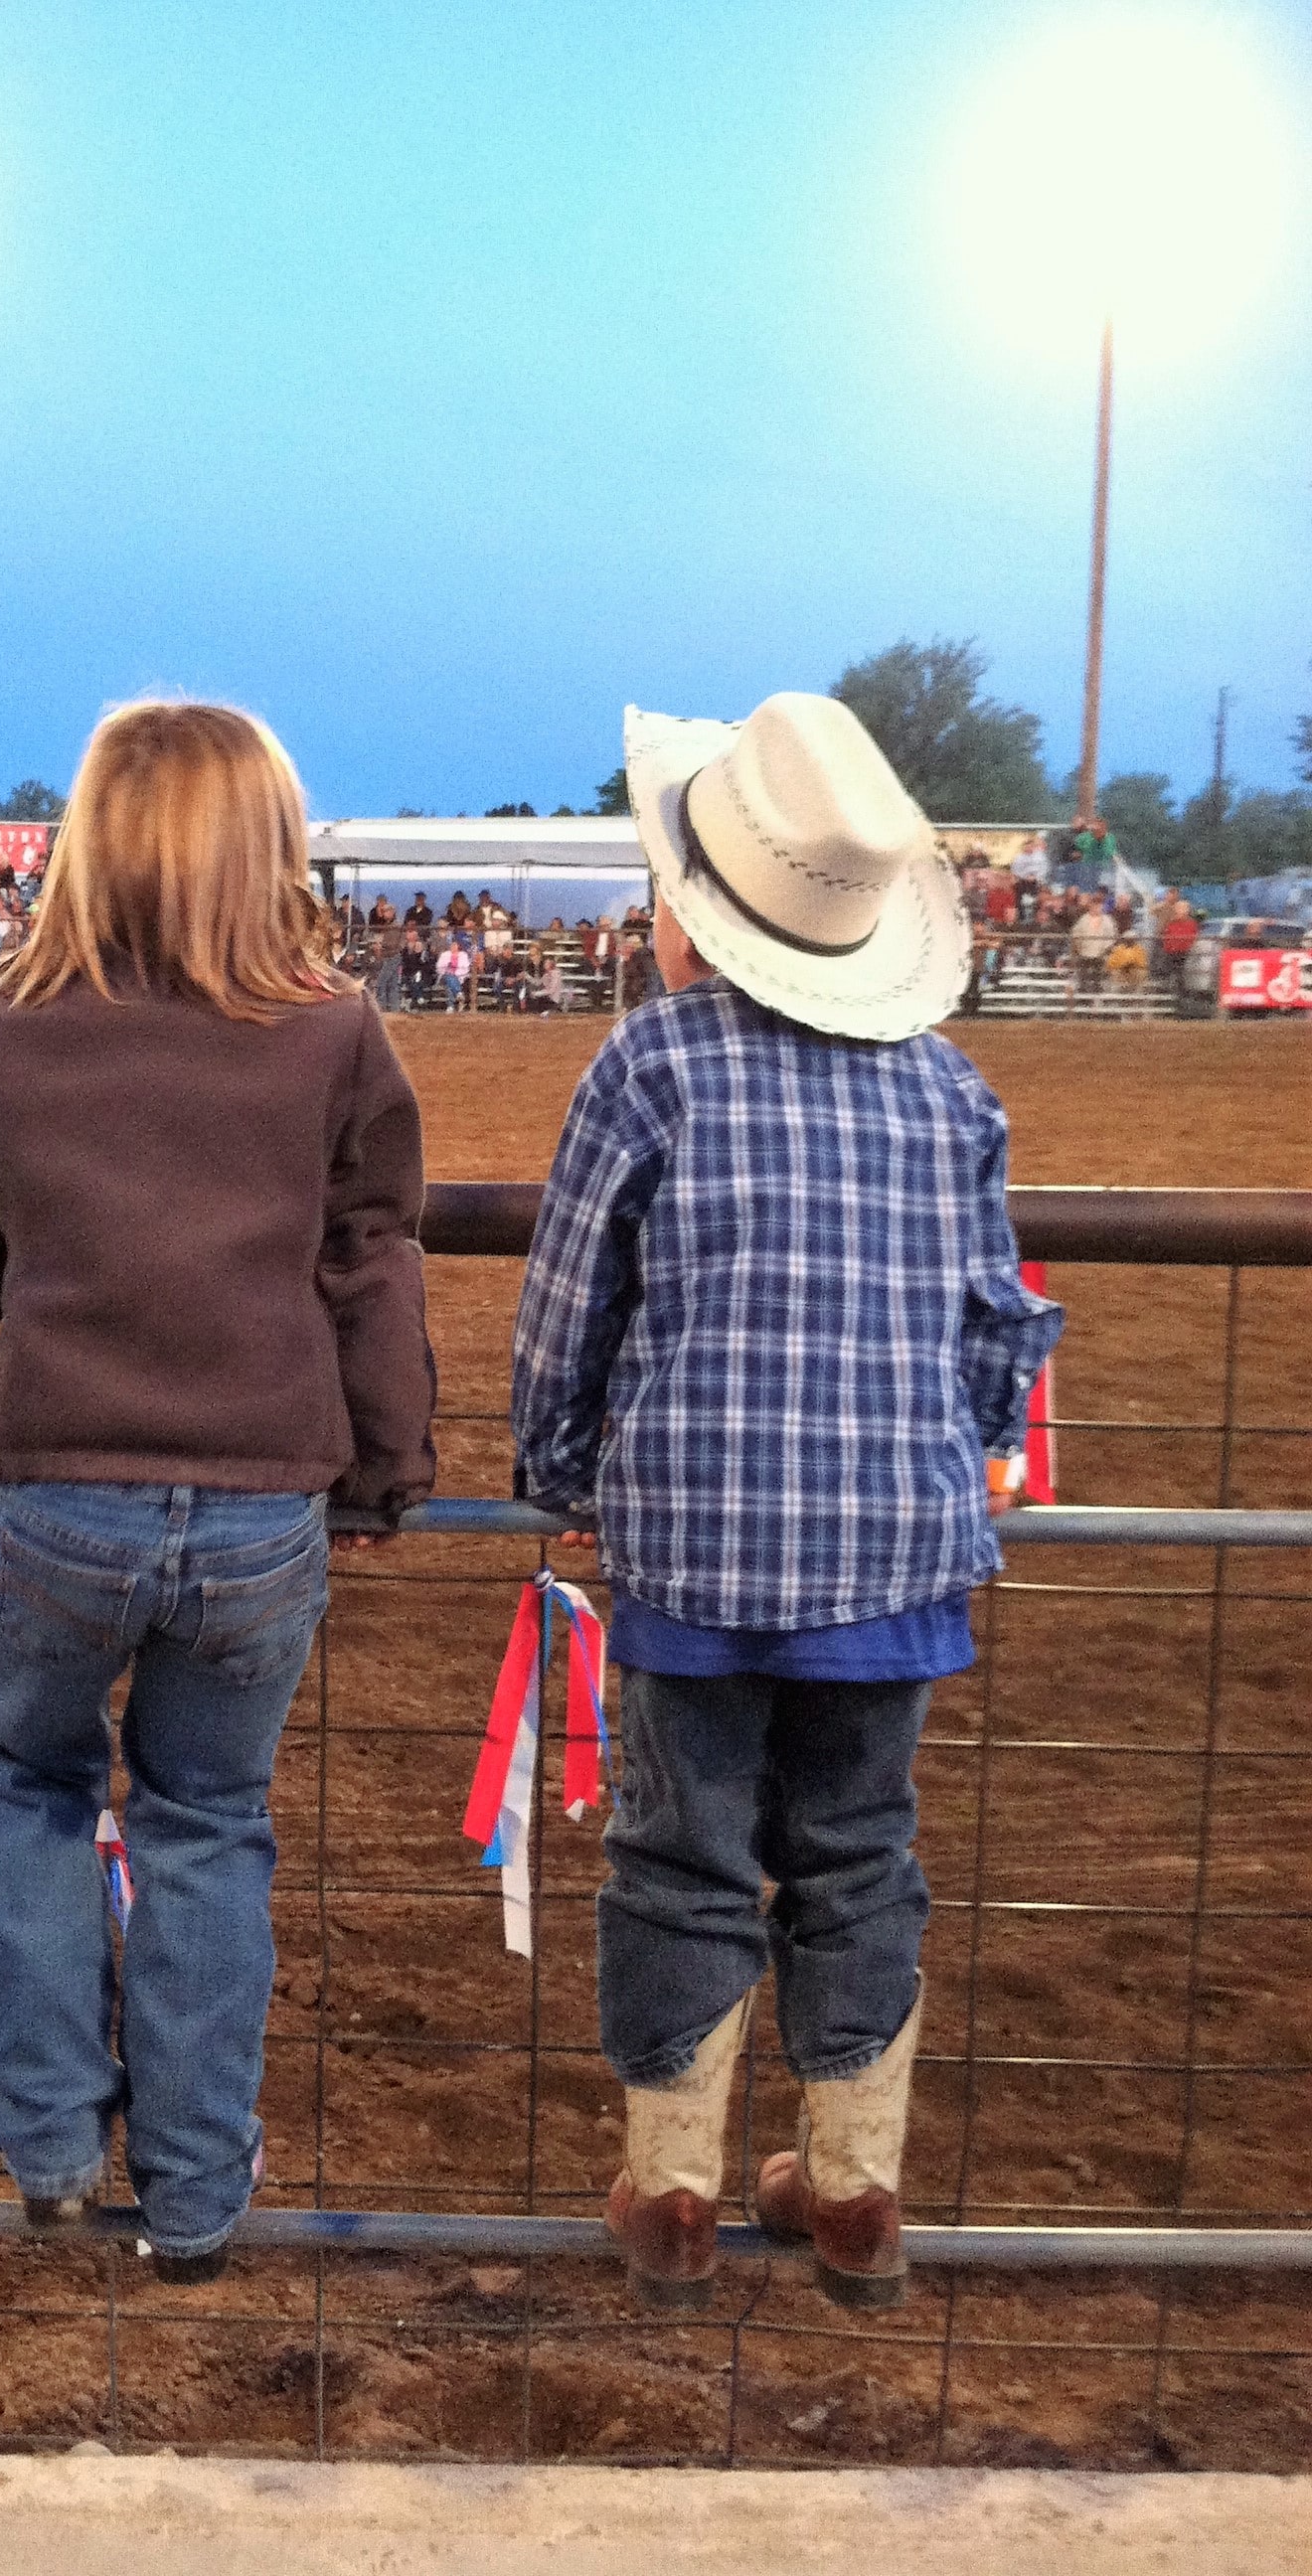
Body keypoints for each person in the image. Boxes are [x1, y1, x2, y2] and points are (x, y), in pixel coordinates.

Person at [0, 700, 436, 2284]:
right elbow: (369, 1262)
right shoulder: (335, 1031)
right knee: (208, 1824)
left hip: (57, 1492)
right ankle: (194, 2186)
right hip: (258, 1505)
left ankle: (49, 2144)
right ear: (270, 846)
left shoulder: (4, 1024)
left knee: (30, 1793)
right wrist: (385, 1467)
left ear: (87, 845)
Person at [512, 694, 1060, 2316]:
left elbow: (569, 1307)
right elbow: (998, 1323)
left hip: (695, 1545)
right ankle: (855, 2185)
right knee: (860, 1855)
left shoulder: (652, 1062)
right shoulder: (951, 1090)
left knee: (680, 1856)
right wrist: (948, 1457)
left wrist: (560, 1470)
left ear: (692, 916)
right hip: (893, 1553)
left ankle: (675, 2189)